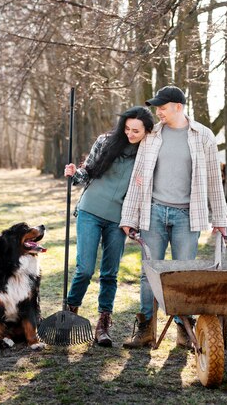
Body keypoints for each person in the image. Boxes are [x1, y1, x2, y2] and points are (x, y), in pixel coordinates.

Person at [120, 85, 227, 348]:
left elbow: (214, 179)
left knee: (184, 274)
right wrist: (128, 217)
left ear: (178, 107)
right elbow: (138, 178)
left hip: (187, 216)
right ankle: (145, 329)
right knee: (150, 273)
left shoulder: (203, 135)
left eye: (163, 107)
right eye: (157, 107)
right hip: (154, 212)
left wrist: (220, 218)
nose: (158, 112)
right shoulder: (152, 135)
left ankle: (183, 330)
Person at [64, 105, 154, 347]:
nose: (130, 134)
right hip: (90, 210)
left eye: (136, 131)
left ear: (147, 131)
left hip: (119, 219)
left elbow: (147, 190)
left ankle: (103, 323)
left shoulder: (147, 153)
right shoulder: (106, 141)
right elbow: (87, 172)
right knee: (84, 269)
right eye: (127, 128)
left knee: (110, 273)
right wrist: (74, 173)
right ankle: (69, 314)